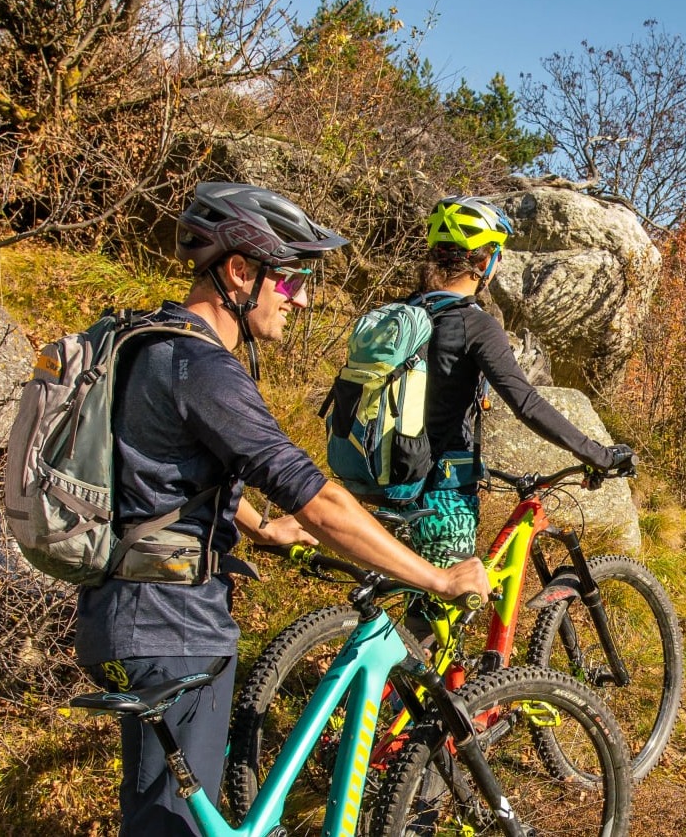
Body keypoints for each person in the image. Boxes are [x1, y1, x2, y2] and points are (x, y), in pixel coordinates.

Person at [73, 182, 489, 837]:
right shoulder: (201, 367)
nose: (300, 299)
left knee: (165, 815)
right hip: (174, 627)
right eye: (290, 280)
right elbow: (319, 501)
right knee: (173, 827)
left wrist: (260, 527)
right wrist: (437, 578)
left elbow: (164, 468)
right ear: (241, 271)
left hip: (126, 611)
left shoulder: (147, 344)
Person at [396, 195, 633, 567]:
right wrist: (598, 455)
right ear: (485, 261)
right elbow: (526, 403)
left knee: (407, 594)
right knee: (446, 601)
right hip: (441, 493)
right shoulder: (474, 323)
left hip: (386, 482)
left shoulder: (404, 312)